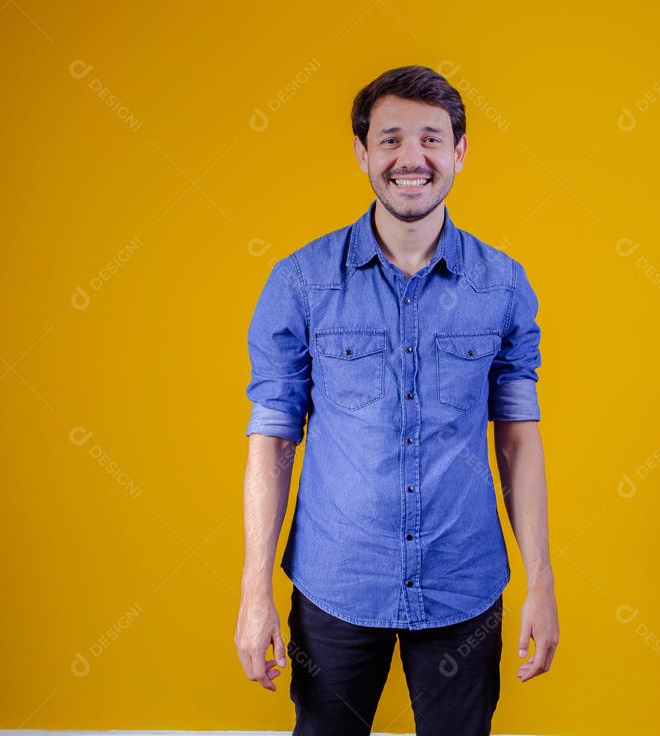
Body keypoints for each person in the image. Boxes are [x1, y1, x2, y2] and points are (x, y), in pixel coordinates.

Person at [235, 64, 559, 736]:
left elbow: (518, 438)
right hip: (336, 582)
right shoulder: (300, 281)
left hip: (463, 583)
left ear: (460, 152)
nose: (411, 158)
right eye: (390, 139)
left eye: (431, 139)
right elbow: (272, 438)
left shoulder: (503, 286)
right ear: (362, 152)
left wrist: (543, 581)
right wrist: (253, 590)